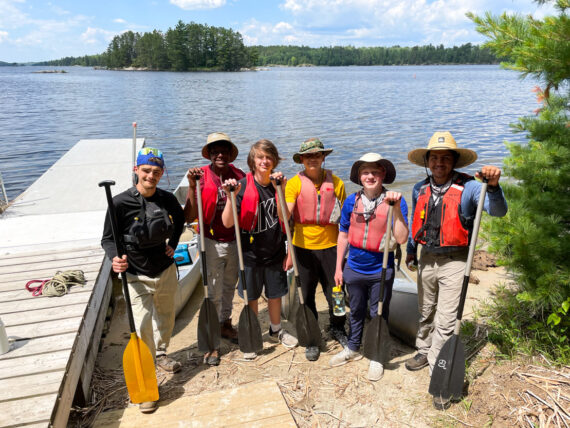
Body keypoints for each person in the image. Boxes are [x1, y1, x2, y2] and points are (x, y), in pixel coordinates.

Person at [404, 131, 507, 409]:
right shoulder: (419, 188)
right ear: (427, 161)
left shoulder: (471, 187)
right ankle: (423, 350)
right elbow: (418, 220)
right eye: (434, 158)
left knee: (447, 321)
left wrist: (494, 187)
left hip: (456, 261)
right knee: (426, 310)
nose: (439, 163)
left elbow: (497, 211)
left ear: (454, 162)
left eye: (445, 158)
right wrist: (411, 251)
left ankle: (439, 370)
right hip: (427, 258)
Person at [101, 147, 185, 414]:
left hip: (165, 270)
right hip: (135, 274)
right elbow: (107, 239)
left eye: (157, 172)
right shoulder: (119, 203)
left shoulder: (167, 199)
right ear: (136, 170)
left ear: (161, 174)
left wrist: (173, 243)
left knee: (166, 317)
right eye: (146, 170)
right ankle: (149, 383)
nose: (151, 176)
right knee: (143, 323)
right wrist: (116, 259)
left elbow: (180, 219)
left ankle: (161, 353)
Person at [330, 153, 409, 381]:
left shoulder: (397, 201)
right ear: (359, 176)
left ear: (383, 174)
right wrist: (338, 268)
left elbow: (402, 238)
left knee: (378, 314)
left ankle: (376, 355)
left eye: (375, 172)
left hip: (380, 269)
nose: (370, 176)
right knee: (355, 311)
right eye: (366, 172)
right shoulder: (351, 201)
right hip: (353, 267)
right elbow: (343, 235)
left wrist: (394, 209)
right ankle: (353, 348)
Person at [221, 139, 298, 360]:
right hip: (249, 256)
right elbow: (227, 222)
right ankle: (254, 335)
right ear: (252, 161)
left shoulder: (279, 184)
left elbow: (285, 218)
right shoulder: (242, 186)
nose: (265, 161)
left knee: (275, 296)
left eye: (268, 157)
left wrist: (280, 190)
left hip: (274, 251)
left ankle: (275, 330)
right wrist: (230, 196)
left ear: (274, 160)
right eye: (260, 157)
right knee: (251, 298)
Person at [281, 137, 347, 361]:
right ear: (301, 160)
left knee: (336, 293)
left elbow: (345, 220)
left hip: (331, 246)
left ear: (323, 157)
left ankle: (338, 327)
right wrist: (279, 193)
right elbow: (286, 217)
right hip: (303, 248)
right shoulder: (293, 184)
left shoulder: (336, 183)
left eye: (317, 155)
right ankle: (311, 336)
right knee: (305, 295)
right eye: (308, 156)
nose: (312, 159)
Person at [184, 132, 245, 366]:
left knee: (230, 286)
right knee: (213, 291)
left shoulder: (239, 176)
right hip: (210, 240)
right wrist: (191, 185)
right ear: (209, 154)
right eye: (215, 151)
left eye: (224, 151)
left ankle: (225, 324)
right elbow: (189, 215)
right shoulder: (200, 175)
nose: (220, 154)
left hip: (235, 240)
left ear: (230, 154)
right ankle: (211, 340)